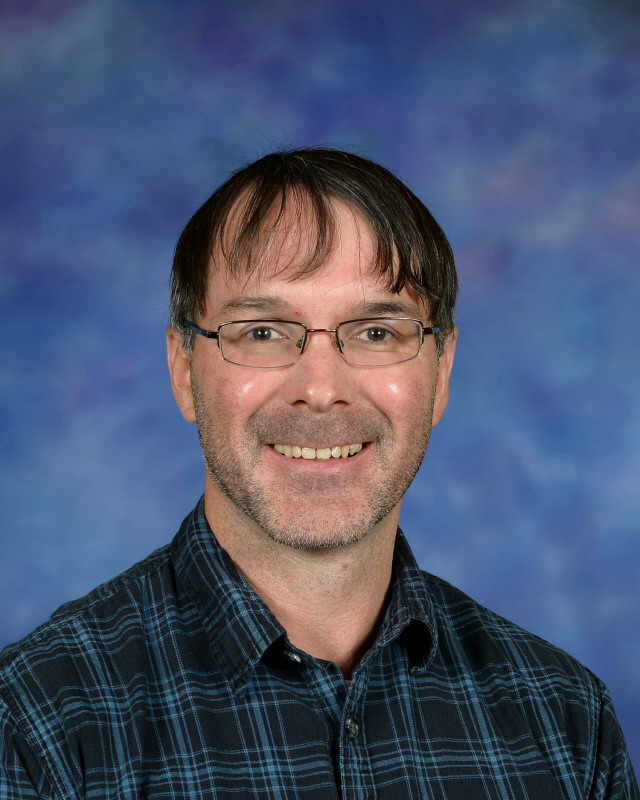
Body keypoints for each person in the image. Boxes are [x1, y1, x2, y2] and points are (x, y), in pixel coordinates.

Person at [0, 148, 637, 800]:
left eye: (376, 332)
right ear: (184, 369)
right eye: (265, 332)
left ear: (441, 374)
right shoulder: (38, 721)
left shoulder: (566, 722)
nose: (322, 389)